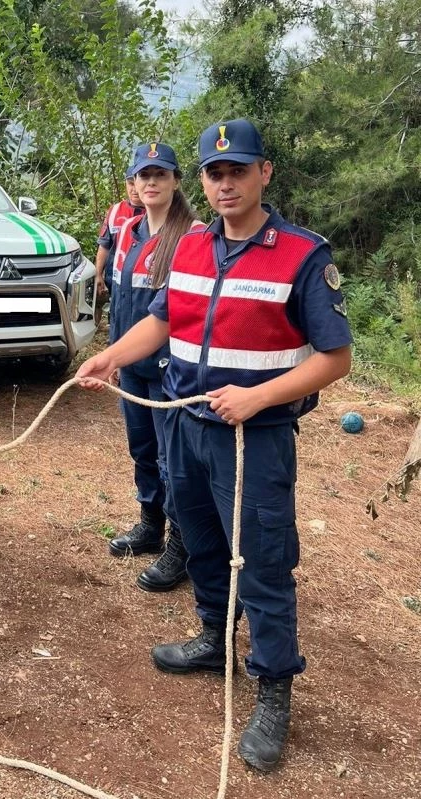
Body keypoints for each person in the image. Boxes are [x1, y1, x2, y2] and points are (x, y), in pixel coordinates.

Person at [77, 118, 352, 772]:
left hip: (254, 439)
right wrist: (110, 357)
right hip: (186, 425)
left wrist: (258, 397)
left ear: (265, 173)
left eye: (238, 170)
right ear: (201, 179)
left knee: (260, 561)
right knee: (199, 542)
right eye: (214, 172)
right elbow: (164, 319)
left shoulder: (303, 255)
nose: (225, 182)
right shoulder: (195, 245)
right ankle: (212, 638)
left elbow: (335, 358)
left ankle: (274, 685)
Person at [104, 142, 203, 596]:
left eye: (159, 174)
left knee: (173, 462)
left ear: (176, 181)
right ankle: (150, 526)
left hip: (169, 374)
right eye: (143, 176)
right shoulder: (127, 231)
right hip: (132, 369)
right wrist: (112, 356)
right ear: (133, 184)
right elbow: (120, 302)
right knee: (142, 452)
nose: (150, 183)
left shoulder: (193, 235)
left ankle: (182, 547)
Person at [94, 170, 145, 323]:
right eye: (130, 184)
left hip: (143, 283)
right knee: (116, 318)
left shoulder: (156, 212)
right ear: (126, 184)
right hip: (115, 280)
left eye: (137, 184)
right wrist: (98, 274)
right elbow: (104, 245)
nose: (134, 189)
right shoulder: (115, 211)